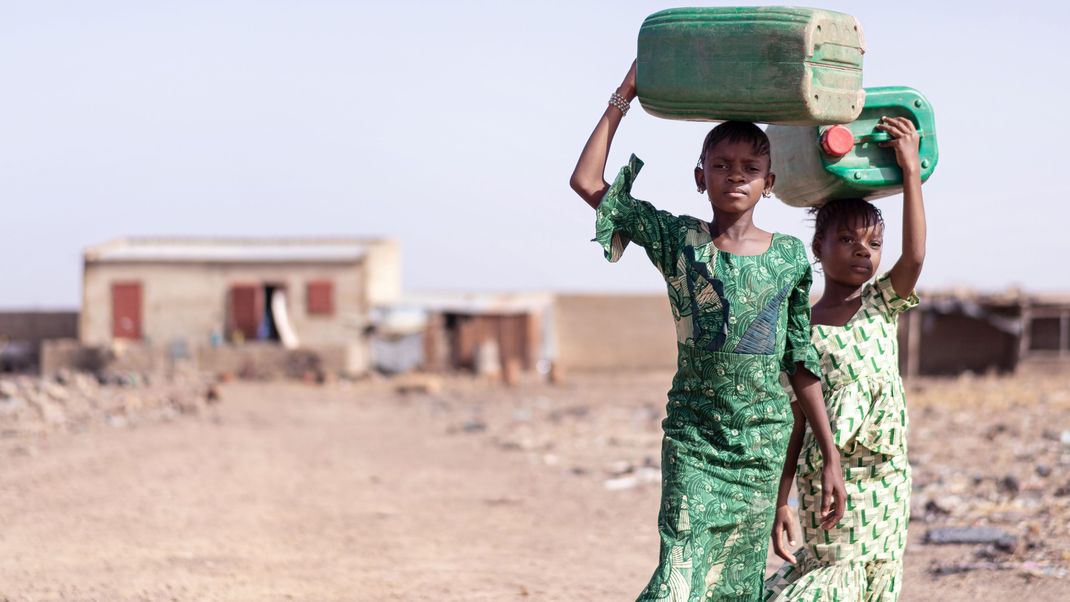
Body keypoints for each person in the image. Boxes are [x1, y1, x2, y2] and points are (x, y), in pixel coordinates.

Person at [570, 60, 847, 601]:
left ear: (770, 182)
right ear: (701, 178)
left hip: (760, 449)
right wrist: (623, 96)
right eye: (721, 165)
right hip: (694, 442)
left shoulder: (790, 257)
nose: (736, 175)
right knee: (678, 580)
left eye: (749, 166)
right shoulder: (678, 240)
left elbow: (799, 361)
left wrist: (830, 453)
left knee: (732, 590)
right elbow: (586, 182)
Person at [764, 115, 926, 601]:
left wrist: (911, 172)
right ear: (819, 247)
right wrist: (782, 496)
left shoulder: (881, 302)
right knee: (831, 578)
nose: (864, 252)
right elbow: (797, 417)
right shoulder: (802, 328)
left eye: (874, 243)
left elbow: (915, 257)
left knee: (876, 580)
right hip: (830, 477)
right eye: (848, 240)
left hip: (888, 477)